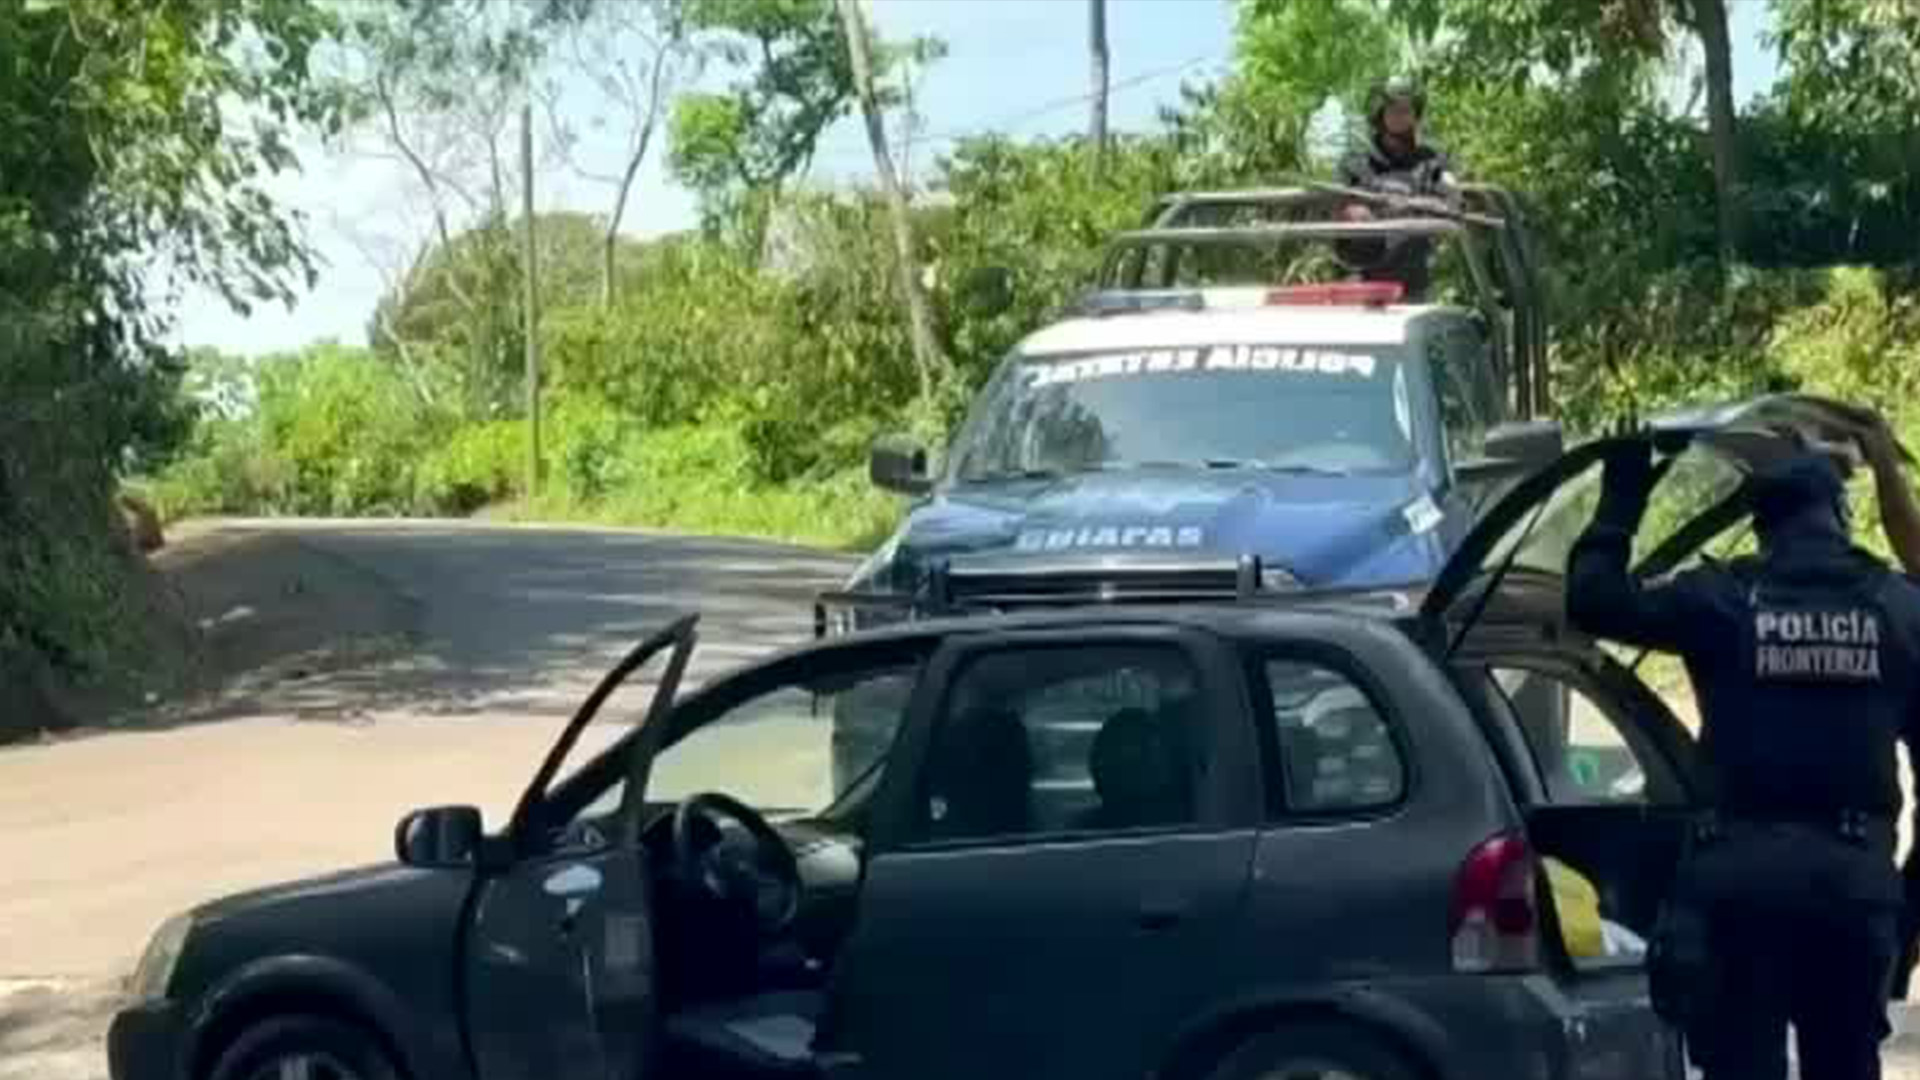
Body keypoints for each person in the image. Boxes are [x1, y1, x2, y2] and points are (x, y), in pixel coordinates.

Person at [1566, 430, 1920, 1080]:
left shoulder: (1721, 600)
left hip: (1737, 889)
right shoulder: (1899, 611)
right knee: (1844, 1064)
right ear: (1840, 520)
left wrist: (1621, 497)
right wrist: (1908, 907)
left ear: (1762, 528)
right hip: (1851, 891)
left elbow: (1593, 601)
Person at [1334, 77, 1456, 300]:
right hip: (1361, 282)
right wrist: (1350, 212)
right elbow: (1333, 207)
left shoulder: (1432, 161)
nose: (1398, 115)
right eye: (1392, 109)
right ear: (1380, 113)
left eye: (1405, 110)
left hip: (1414, 285)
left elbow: (1452, 202)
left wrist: (1435, 202)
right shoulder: (1355, 162)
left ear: (1415, 114)